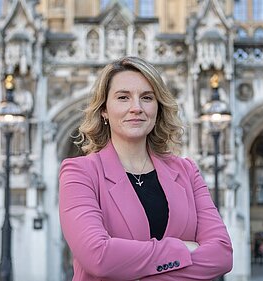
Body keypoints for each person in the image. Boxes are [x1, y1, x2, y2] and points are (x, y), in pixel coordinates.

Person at [59, 56, 233, 280]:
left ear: (158, 108)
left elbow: (221, 255)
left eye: (147, 98)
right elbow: (98, 258)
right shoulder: (80, 173)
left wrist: (129, 268)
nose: (136, 108)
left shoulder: (186, 171)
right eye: (123, 97)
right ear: (104, 109)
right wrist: (182, 249)